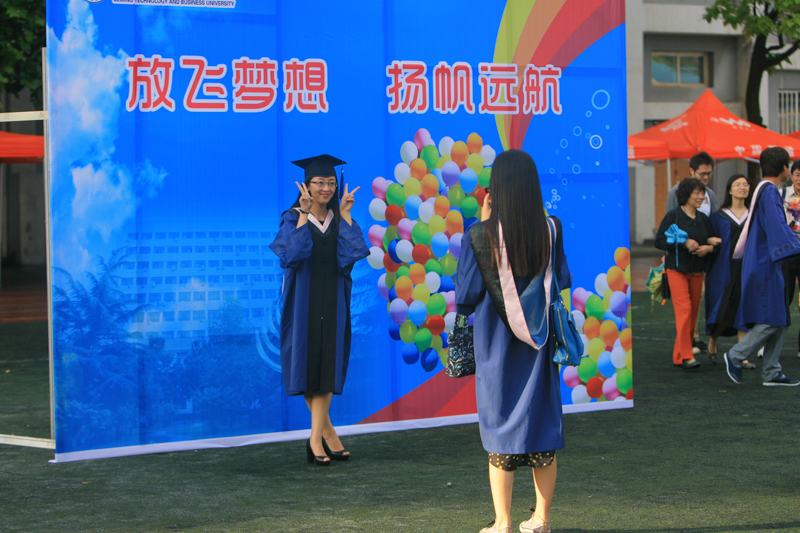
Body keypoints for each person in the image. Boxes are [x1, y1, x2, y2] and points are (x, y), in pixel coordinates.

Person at [455, 149, 570, 533]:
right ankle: (542, 519)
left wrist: (483, 224)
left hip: (497, 346)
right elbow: (562, 280)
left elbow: (466, 295)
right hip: (540, 343)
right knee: (541, 424)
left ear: (497, 188)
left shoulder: (480, 235)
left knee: (499, 424)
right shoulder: (551, 229)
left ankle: (502, 522)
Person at [269, 154, 369, 465]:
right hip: (303, 301)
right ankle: (325, 435)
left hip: (334, 300)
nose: (326, 188)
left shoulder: (339, 219)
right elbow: (291, 255)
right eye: (319, 183)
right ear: (307, 185)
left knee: (327, 365)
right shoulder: (291, 217)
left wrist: (346, 213)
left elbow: (352, 254)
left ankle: (317, 437)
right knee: (306, 365)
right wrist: (304, 214)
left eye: (331, 183)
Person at [724, 147, 800, 386]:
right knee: (771, 318)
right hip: (766, 264)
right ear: (784, 168)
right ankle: (736, 355)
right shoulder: (769, 192)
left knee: (781, 317)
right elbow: (778, 228)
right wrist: (796, 246)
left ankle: (771, 371)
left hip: (766, 261)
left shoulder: (764, 189)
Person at [655, 178, 717, 370]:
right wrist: (683, 242)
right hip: (676, 270)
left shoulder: (703, 219)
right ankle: (688, 355)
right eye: (697, 193)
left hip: (697, 271)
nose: (701, 197)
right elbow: (659, 241)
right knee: (685, 311)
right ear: (686, 195)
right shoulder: (673, 216)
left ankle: (678, 355)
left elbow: (712, 240)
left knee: (692, 314)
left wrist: (708, 248)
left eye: (702, 193)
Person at [666, 152, 719, 353]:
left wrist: (710, 245)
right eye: (702, 173)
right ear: (691, 171)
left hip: (703, 254)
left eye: (709, 174)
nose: (705, 177)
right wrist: (677, 246)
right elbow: (669, 224)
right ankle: (690, 341)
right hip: (681, 255)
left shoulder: (710, 194)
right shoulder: (676, 192)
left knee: (698, 297)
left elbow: (714, 222)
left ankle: (692, 339)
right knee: (685, 303)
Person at [705, 174, 755, 367]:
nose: (742, 187)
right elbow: (708, 239)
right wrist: (709, 240)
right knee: (723, 310)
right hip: (724, 269)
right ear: (730, 190)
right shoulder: (718, 217)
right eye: (738, 184)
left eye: (745, 184)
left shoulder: (754, 215)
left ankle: (742, 356)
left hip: (747, 268)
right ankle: (713, 340)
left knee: (745, 308)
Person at [779, 160, 800, 358]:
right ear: (791, 175)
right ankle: (770, 343)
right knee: (783, 298)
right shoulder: (781, 194)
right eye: (797, 174)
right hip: (786, 252)